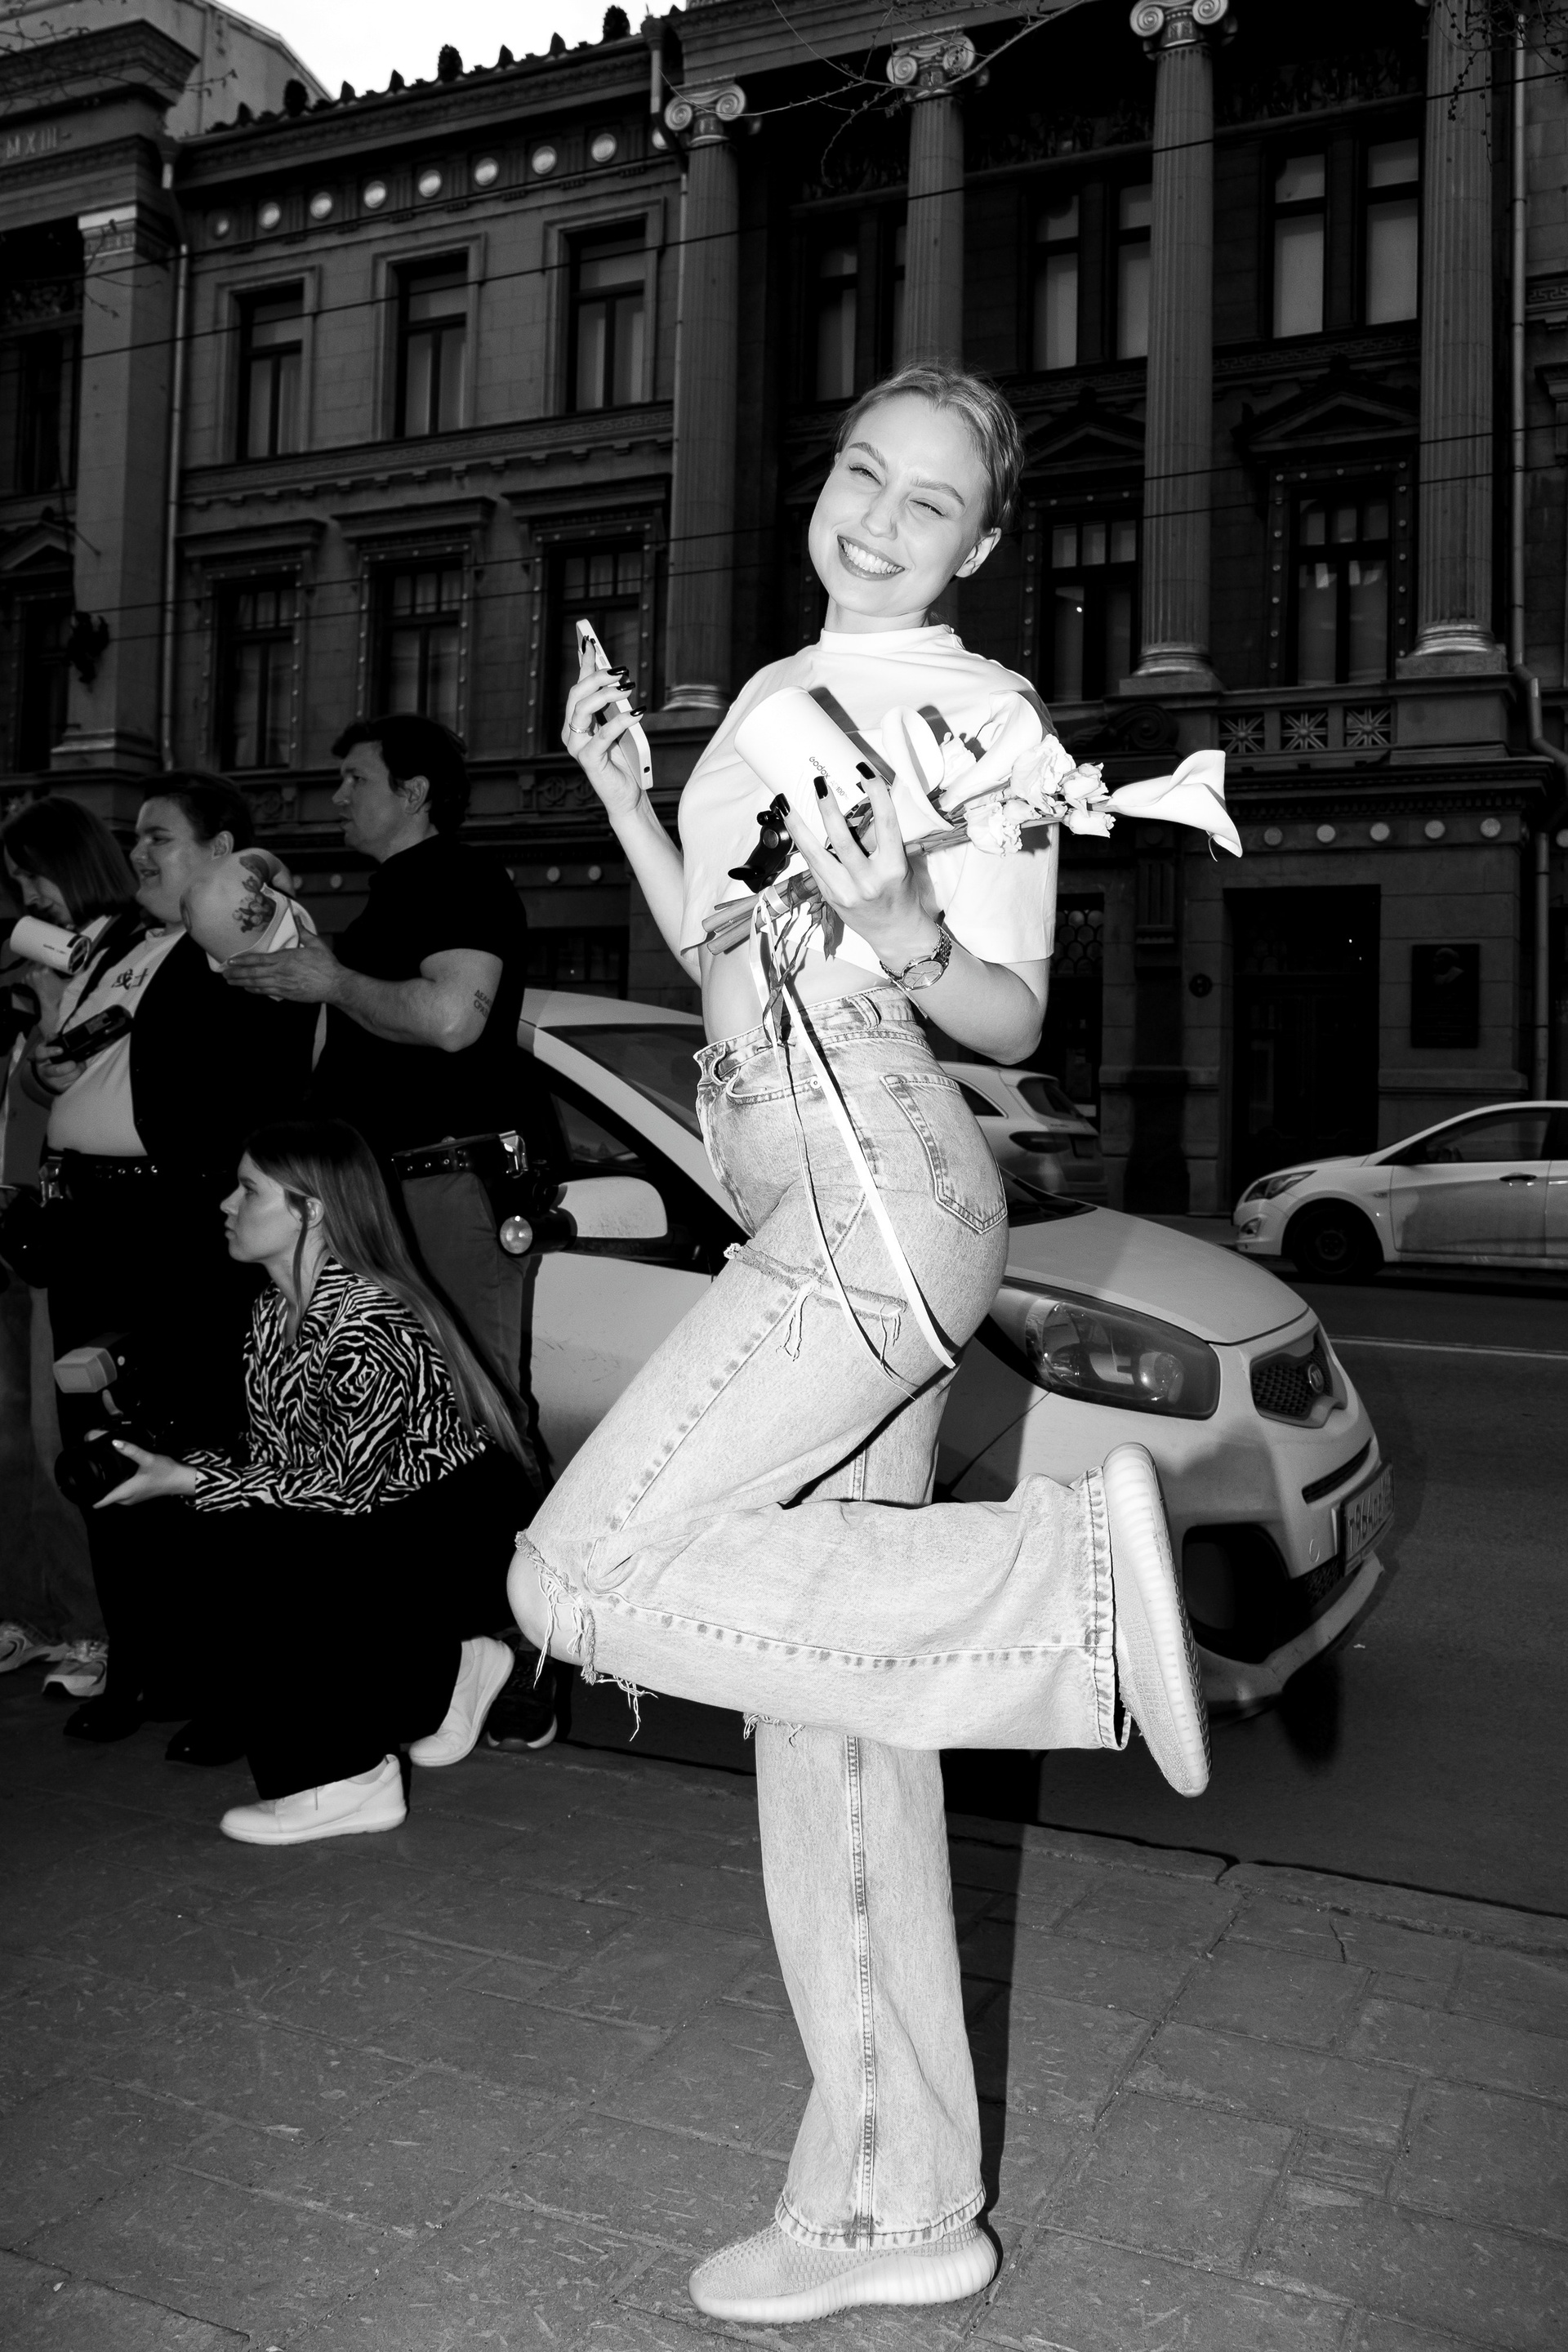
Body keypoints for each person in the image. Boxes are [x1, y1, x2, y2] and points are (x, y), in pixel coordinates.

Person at [507, 363, 1212, 2328]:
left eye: (930, 503)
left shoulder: (983, 714)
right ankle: (896, 2203)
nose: (879, 521)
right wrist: (624, 792)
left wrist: (906, 923)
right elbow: (719, 952)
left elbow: (1008, 1011)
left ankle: (1064, 1589)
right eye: (861, 475)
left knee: (574, 1571)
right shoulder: (764, 696)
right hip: (791, 1179)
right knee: (830, 1723)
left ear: (980, 543)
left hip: (876, 1182)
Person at [96, 1119, 537, 1844]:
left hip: (463, 1531)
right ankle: (442, 1674)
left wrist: (190, 1479)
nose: (226, 1205)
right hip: (390, 1520)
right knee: (224, 1534)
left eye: (249, 1191)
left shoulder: (369, 1320)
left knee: (278, 1554)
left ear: (312, 1209)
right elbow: (284, 1470)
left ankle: (347, 1780)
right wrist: (179, 1479)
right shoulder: (274, 1311)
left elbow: (343, 1490)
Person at [5, 775, 316, 1744]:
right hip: (91, 1226)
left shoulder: (238, 931)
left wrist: (246, 871)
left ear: (219, 851)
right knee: (102, 1451)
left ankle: (225, 1690)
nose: (136, 852)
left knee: (194, 1450)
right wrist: (52, 1065)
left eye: (161, 837)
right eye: (134, 837)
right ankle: (142, 1670)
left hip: (177, 1228)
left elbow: (256, 906)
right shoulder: (123, 946)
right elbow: (72, 1070)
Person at [224, 715, 537, 1416]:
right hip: (382, 1193)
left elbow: (453, 1021)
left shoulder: (462, 878)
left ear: (413, 792)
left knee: (470, 1409)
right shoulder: (392, 893)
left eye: (355, 779)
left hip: (439, 1184)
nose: (337, 796)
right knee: (396, 1411)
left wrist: (333, 982)